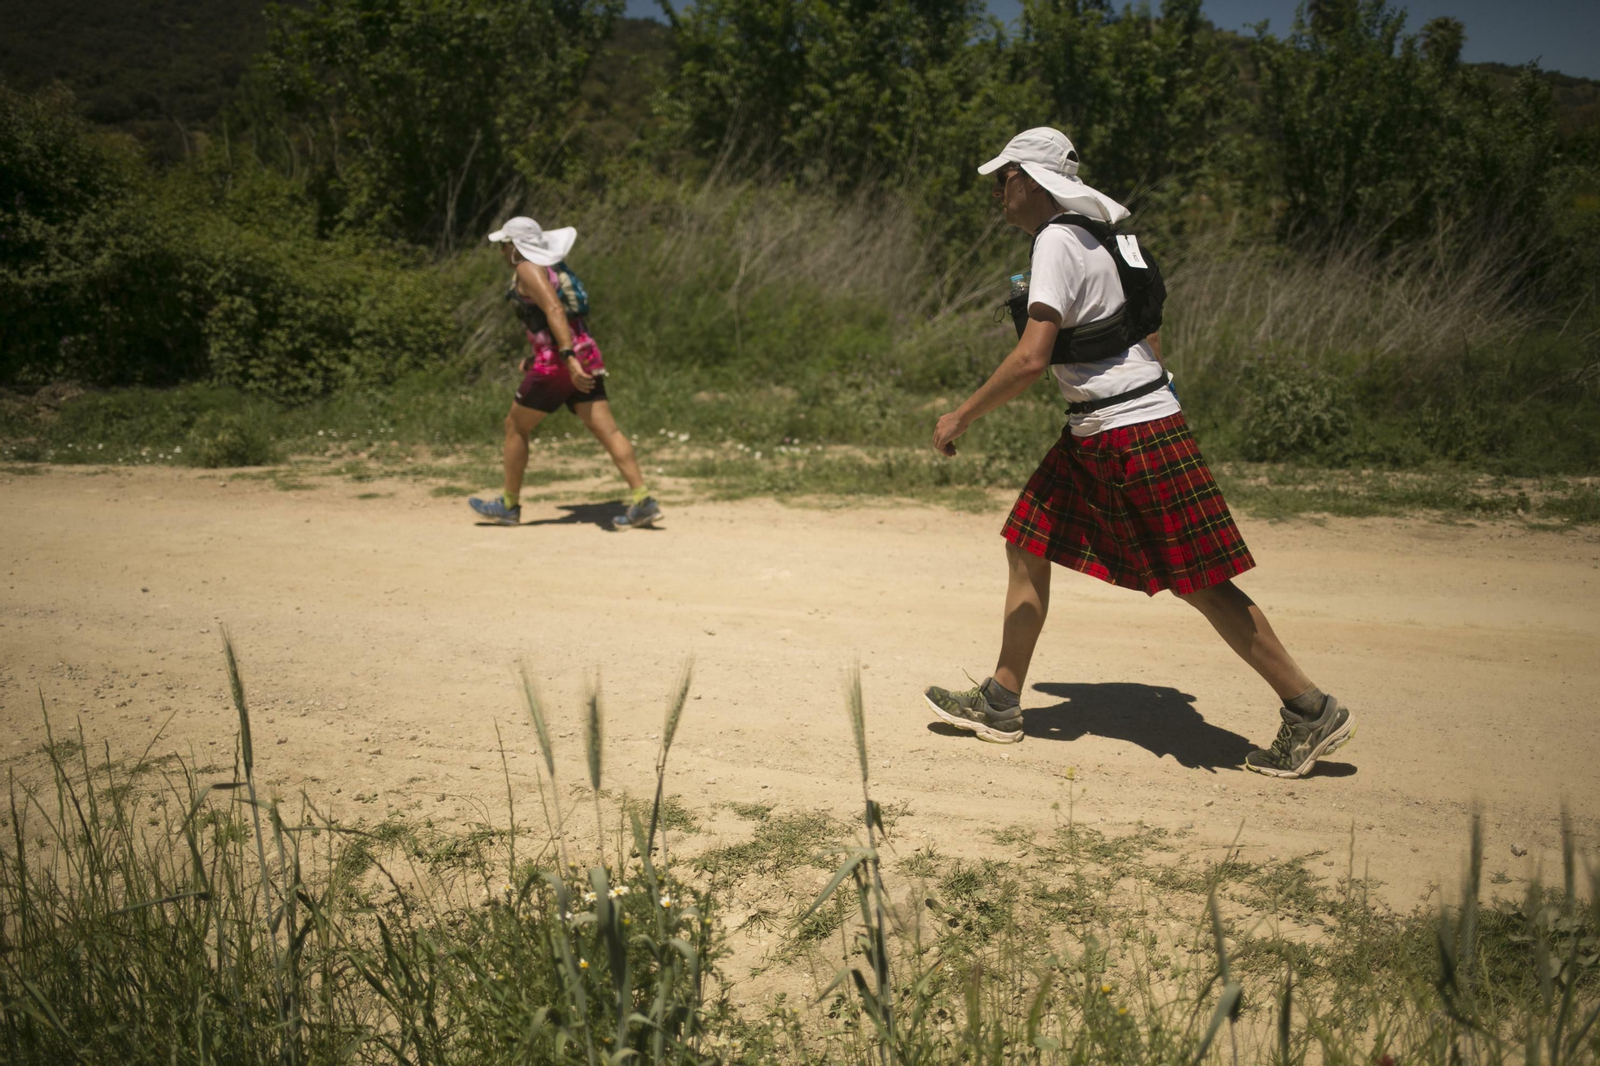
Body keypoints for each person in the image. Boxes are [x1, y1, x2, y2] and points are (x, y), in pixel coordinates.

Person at [922, 128, 1353, 779]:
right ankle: (1002, 701)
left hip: (1128, 430)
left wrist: (961, 415)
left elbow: (1032, 358)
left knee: (1200, 581)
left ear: (1032, 182)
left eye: (1003, 179)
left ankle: (1310, 708)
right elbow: (1145, 331)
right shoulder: (1097, 236)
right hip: (1105, 427)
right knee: (1027, 541)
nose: (997, 192)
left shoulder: (1057, 241)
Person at [468, 216, 662, 530]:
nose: (501, 251)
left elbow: (555, 310)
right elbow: (561, 317)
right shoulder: (554, 267)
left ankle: (508, 506)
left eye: (504, 244)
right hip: (585, 354)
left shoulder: (527, 268)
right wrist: (554, 356)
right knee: (609, 431)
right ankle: (643, 501)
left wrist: (565, 357)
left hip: (560, 362)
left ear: (516, 246)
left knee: (515, 426)